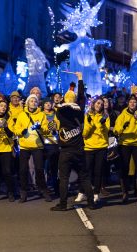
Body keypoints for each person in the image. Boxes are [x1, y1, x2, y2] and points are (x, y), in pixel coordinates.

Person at [51, 72, 96, 211]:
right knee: (85, 177)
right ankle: (91, 203)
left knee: (64, 178)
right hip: (79, 149)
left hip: (65, 150)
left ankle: (63, 204)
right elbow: (81, 97)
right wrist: (80, 79)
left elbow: (58, 104)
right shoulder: (80, 110)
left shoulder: (60, 111)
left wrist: (68, 92)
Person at [14, 94, 52, 203]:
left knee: (39, 169)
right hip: (25, 146)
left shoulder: (41, 115)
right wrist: (21, 131)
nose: (33, 103)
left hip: (37, 146)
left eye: (35, 101)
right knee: (23, 170)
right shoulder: (21, 115)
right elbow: (16, 129)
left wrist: (41, 128)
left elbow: (46, 130)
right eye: (31, 101)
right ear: (27, 103)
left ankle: (43, 190)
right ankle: (23, 192)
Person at [114, 94, 137, 203]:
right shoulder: (122, 116)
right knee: (124, 167)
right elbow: (116, 131)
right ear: (128, 103)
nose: (133, 104)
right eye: (131, 102)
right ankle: (125, 193)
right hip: (125, 144)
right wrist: (123, 127)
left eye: (134, 102)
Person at [79, 96, 110, 203]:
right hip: (89, 147)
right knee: (86, 171)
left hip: (101, 147)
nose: (99, 105)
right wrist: (91, 124)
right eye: (98, 103)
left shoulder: (106, 116)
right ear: (93, 104)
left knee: (98, 171)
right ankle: (82, 192)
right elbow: (85, 134)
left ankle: (96, 193)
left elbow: (104, 132)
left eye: (101, 104)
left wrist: (99, 125)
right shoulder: (87, 115)